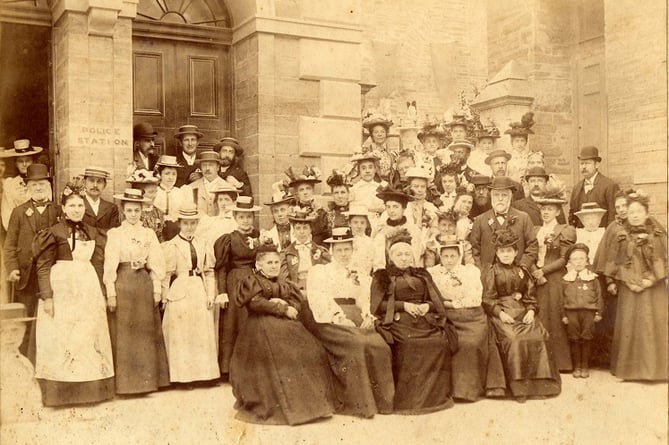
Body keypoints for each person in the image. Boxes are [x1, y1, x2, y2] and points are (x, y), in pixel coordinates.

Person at [230, 242, 335, 425]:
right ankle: (285, 406)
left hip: (287, 325)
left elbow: (296, 302)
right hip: (260, 326)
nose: (273, 266)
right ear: (258, 265)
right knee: (282, 353)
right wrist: (280, 307)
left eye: (276, 262)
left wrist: (290, 307)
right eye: (269, 263)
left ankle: (309, 406)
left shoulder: (284, 282)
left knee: (312, 349)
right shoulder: (252, 281)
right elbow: (255, 303)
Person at [32, 181, 114, 406]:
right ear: (64, 208)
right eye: (72, 206)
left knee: (87, 335)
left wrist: (103, 291)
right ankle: (61, 394)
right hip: (63, 288)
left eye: (80, 205)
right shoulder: (54, 232)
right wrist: (47, 297)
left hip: (88, 288)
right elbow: (43, 266)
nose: (77, 209)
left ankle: (90, 392)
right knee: (62, 337)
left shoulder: (91, 231)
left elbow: (98, 264)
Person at [305, 227, 395, 418]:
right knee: (357, 343)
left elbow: (364, 299)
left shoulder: (359, 272)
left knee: (379, 346)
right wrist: (339, 317)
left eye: (347, 249)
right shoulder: (320, 272)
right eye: (339, 250)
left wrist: (367, 316)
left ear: (352, 250)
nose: (344, 254)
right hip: (330, 319)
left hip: (355, 315)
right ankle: (359, 404)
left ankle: (383, 401)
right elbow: (320, 298)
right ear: (331, 251)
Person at [370, 231, 457, 414]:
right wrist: (403, 305)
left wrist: (427, 306)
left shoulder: (422, 274)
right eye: (399, 254)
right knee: (410, 345)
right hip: (399, 320)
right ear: (391, 257)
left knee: (439, 342)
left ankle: (436, 399)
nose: (403, 258)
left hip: (424, 318)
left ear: (413, 256)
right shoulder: (382, 276)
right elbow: (377, 306)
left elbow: (437, 301)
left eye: (407, 254)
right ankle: (410, 402)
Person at [481, 229, 561, 402]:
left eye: (509, 251)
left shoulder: (523, 271)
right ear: (497, 253)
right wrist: (500, 314)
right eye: (502, 251)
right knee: (514, 339)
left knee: (539, 336)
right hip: (501, 313)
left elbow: (530, 296)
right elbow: (487, 299)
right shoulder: (492, 271)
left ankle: (539, 386)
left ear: (515, 252)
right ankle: (519, 388)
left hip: (523, 311)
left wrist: (531, 311)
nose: (506, 255)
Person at [104, 188, 169, 395]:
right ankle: (126, 385)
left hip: (143, 284)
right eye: (129, 210)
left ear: (142, 211)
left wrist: (157, 289)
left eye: (137, 210)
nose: (133, 214)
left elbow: (157, 264)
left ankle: (146, 383)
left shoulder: (148, 234)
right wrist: (111, 292)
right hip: (123, 284)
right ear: (123, 211)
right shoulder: (115, 234)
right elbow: (110, 265)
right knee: (125, 334)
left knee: (144, 333)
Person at [428, 238, 506, 401]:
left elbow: (475, 298)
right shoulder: (433, 273)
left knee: (471, 342)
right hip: (446, 317)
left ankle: (470, 390)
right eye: (445, 256)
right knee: (448, 342)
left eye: (453, 256)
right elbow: (430, 297)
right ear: (440, 257)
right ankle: (454, 390)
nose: (449, 260)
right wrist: (444, 305)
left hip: (471, 316)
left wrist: (452, 303)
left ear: (459, 256)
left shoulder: (469, 271)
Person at [602, 192, 667, 381]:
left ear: (647, 214)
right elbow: (614, 261)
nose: (635, 215)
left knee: (651, 324)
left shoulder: (657, 234)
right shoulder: (621, 235)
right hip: (629, 288)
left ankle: (656, 371)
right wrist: (629, 281)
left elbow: (663, 259)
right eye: (631, 212)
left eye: (639, 211)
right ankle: (627, 371)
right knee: (630, 327)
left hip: (653, 289)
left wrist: (651, 280)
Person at [4, 163, 59, 363]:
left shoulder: (58, 210)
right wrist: (12, 268)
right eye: (34, 184)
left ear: (48, 185)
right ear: (28, 187)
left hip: (52, 275)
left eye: (42, 184)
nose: (38, 188)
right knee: (26, 320)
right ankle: (25, 364)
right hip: (26, 275)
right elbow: (10, 244)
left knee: (50, 319)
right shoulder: (19, 212)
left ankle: (49, 363)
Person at [161, 205, 220, 385]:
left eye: (193, 223)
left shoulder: (203, 243)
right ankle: (183, 377)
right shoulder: (171, 245)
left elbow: (209, 271)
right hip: (180, 288)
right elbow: (167, 274)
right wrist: (164, 297)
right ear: (179, 224)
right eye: (186, 223)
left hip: (198, 288)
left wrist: (211, 295)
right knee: (182, 333)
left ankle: (204, 375)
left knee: (201, 333)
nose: (189, 227)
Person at [213, 196, 263, 377]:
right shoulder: (228, 239)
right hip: (235, 282)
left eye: (249, 217)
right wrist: (222, 292)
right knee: (235, 323)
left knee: (255, 322)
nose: (245, 221)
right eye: (241, 217)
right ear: (235, 217)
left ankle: (255, 366)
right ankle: (232, 368)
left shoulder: (260, 236)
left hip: (256, 282)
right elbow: (222, 268)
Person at [531, 194, 576, 372]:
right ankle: (541, 364)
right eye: (543, 209)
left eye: (550, 209)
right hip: (536, 278)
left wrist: (544, 271)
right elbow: (530, 253)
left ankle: (561, 362)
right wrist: (535, 270)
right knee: (540, 317)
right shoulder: (535, 230)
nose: (546, 212)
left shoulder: (565, 229)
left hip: (555, 277)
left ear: (558, 211)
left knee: (555, 317)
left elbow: (565, 258)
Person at [470, 176, 538, 270]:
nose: (500, 199)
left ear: (510, 198)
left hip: (517, 276)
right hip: (488, 276)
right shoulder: (480, 220)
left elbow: (532, 246)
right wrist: (482, 271)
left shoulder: (523, 218)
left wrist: (522, 267)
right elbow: (474, 249)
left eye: (504, 195)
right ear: (492, 197)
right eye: (497, 195)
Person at [560, 244, 603, 379]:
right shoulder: (566, 279)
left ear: (587, 261)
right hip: (571, 312)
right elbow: (561, 298)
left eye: (581, 259)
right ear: (570, 262)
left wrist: (599, 313)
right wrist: (563, 315)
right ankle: (577, 366)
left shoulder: (593, 279)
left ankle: (585, 366)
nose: (578, 262)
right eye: (575, 259)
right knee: (574, 338)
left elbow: (599, 296)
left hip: (589, 313)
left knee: (586, 338)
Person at [1, 139, 50, 231]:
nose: (24, 164)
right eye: (20, 161)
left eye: (27, 160)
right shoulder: (10, 184)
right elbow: (7, 214)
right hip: (19, 234)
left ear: (33, 161)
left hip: (41, 233)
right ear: (15, 163)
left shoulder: (44, 183)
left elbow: (47, 211)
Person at [371, 187, 423, 270]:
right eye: (388, 207)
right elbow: (375, 257)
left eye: (395, 207)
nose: (391, 211)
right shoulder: (380, 230)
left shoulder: (413, 230)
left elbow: (416, 256)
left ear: (403, 208)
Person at [279, 210, 331, 291]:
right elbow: (283, 279)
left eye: (305, 228)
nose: (302, 232)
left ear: (310, 230)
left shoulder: (320, 251)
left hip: (317, 288)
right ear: (293, 231)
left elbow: (328, 274)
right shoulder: (286, 253)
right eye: (298, 228)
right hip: (296, 289)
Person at [568, 146, 619, 228]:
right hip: (581, 236)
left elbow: (613, 216)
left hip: (602, 236)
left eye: (587, 163)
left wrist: (608, 237)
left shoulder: (609, 185)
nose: (584, 167)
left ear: (597, 164)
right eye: (581, 163)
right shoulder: (576, 188)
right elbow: (572, 216)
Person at [186, 151, 240, 217]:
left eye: (211, 165)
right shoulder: (190, 188)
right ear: (201, 168)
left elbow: (235, 216)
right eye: (204, 165)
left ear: (217, 167)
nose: (207, 168)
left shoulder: (230, 188)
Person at [285, 165, 329, 245]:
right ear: (297, 193)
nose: (305, 192)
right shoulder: (292, 211)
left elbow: (325, 236)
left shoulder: (321, 212)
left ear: (313, 190)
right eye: (301, 190)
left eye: (308, 188)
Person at [153, 155, 189, 241]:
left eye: (174, 174)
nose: (170, 177)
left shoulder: (180, 192)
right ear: (160, 175)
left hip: (175, 231)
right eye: (167, 173)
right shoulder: (155, 192)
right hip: (156, 230)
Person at [195, 181, 239, 247]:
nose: (223, 203)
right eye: (220, 200)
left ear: (234, 202)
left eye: (227, 199)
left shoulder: (235, 223)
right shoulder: (210, 221)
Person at [125, 169, 165, 242]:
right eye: (151, 192)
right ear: (140, 193)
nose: (154, 196)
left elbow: (160, 237)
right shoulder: (131, 213)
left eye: (156, 192)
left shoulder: (159, 212)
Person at [348, 152, 386, 222]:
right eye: (363, 168)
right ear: (359, 171)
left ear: (375, 170)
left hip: (378, 221)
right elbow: (352, 208)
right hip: (361, 222)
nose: (367, 171)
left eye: (370, 167)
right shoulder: (354, 189)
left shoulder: (381, 187)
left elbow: (385, 207)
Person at [81, 167, 120, 232]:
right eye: (91, 180)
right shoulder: (76, 205)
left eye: (99, 181)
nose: (95, 185)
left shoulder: (112, 208)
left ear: (104, 185)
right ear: (84, 182)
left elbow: (114, 234)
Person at [261, 181, 295, 252]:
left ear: (290, 210)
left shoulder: (298, 231)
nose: (279, 214)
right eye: (275, 211)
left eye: (282, 210)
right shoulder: (268, 235)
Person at [361, 113, 396, 181]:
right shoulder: (366, 152)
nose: (380, 134)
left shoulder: (390, 154)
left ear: (386, 134)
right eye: (376, 132)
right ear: (371, 135)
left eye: (382, 132)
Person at [504, 111, 535, 182]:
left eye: (522, 141)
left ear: (526, 142)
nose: (519, 144)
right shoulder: (508, 158)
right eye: (517, 141)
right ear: (512, 142)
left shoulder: (530, 157)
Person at [344, 204, 374, 276]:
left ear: (366, 224)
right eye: (355, 222)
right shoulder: (343, 241)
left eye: (362, 222)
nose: (359, 226)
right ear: (349, 223)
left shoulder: (370, 243)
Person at [325, 170, 351, 236]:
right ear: (332, 195)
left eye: (343, 192)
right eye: (336, 193)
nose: (340, 196)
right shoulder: (326, 213)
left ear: (348, 194)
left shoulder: (354, 210)